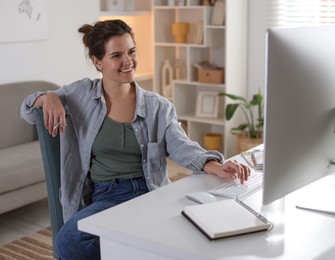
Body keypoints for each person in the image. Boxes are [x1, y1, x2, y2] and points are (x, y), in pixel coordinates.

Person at [20, 19, 251, 260]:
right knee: (69, 241)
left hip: (150, 192)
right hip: (107, 195)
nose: (128, 62)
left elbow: (181, 145)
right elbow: (26, 110)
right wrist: (48, 98)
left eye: (131, 52)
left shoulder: (157, 106)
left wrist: (216, 165)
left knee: (199, 234)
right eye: (117, 55)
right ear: (98, 62)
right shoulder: (80, 95)